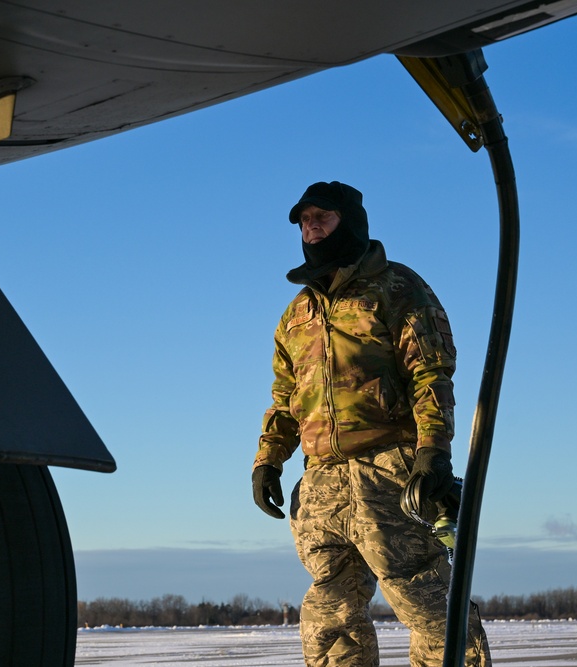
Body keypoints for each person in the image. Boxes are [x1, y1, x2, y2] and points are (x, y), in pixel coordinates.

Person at [251, 181, 492, 666]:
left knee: (427, 602)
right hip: (322, 482)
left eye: (323, 215)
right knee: (329, 614)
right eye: (304, 219)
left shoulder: (397, 288)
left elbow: (430, 375)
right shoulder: (296, 314)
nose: (311, 225)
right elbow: (285, 398)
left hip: (390, 469)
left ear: (351, 221)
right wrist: (268, 460)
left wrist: (432, 453)